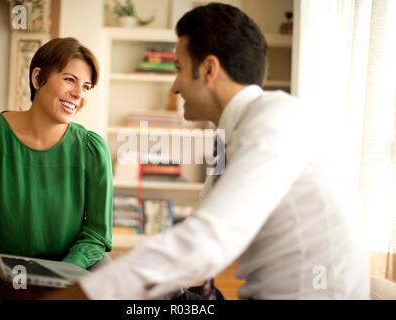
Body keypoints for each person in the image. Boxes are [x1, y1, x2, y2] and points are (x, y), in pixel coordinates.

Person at [46, 3, 370, 300]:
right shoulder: (233, 134)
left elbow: (207, 241)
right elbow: (200, 232)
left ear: (209, 70)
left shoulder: (277, 121)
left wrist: (81, 294)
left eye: (179, 67)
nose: (174, 86)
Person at [0, 37, 113, 300]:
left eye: (86, 86)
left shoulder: (92, 149)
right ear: (37, 79)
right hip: (20, 274)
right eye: (70, 79)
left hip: (79, 269)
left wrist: (60, 274)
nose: (79, 94)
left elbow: (97, 235)